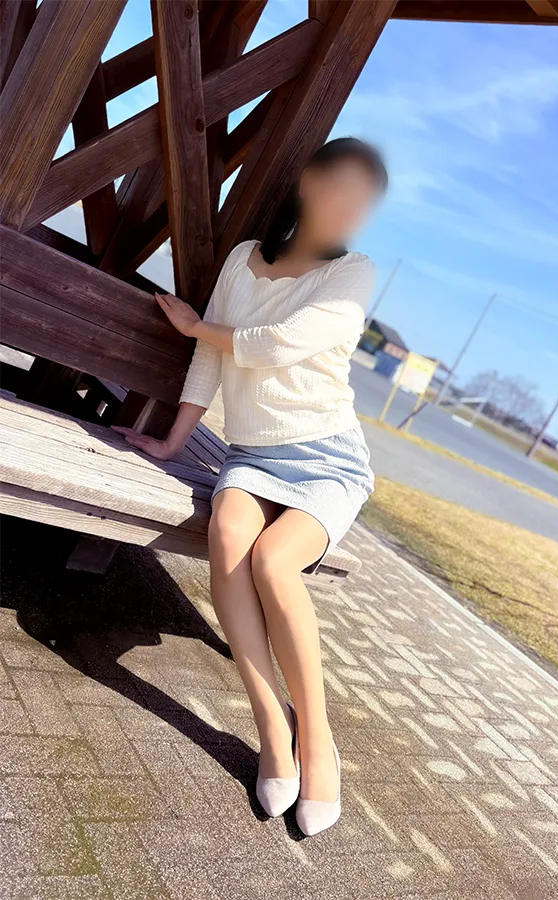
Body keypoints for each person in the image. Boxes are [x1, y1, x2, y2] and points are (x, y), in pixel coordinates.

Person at [113, 137, 387, 836]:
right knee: (230, 532)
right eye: (343, 188)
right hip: (254, 456)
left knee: (273, 562)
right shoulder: (241, 260)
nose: (351, 209)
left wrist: (197, 324)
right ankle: (272, 726)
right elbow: (210, 360)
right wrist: (174, 441)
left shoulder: (352, 275)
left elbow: (276, 344)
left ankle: (317, 741)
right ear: (308, 182)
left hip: (327, 461)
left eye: (365, 201)